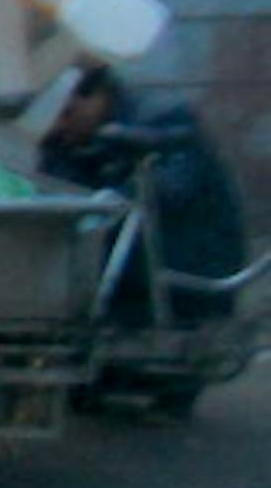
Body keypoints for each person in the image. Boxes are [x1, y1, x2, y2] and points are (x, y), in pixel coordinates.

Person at [39, 66, 246, 327]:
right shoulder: (70, 141)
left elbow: (171, 190)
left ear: (97, 98)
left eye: (67, 114)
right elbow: (58, 189)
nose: (60, 125)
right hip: (128, 274)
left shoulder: (164, 121)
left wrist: (116, 187)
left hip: (184, 270)